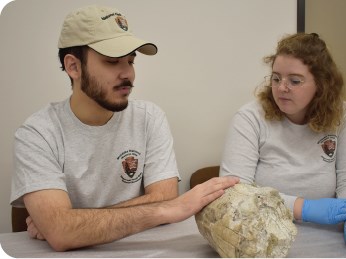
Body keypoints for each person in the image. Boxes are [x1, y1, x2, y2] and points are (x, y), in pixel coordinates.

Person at [9, 5, 239, 252]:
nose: (128, 74)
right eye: (112, 62)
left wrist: (71, 222)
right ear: (73, 67)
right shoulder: (37, 133)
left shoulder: (149, 117)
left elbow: (165, 196)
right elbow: (62, 233)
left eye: (130, 61)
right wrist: (165, 210)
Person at [220, 33, 346, 249]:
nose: (282, 88)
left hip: (327, 236)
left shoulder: (343, 115)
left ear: (321, 84)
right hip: (261, 235)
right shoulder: (250, 117)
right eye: (276, 78)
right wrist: (303, 208)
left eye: (295, 81)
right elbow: (235, 192)